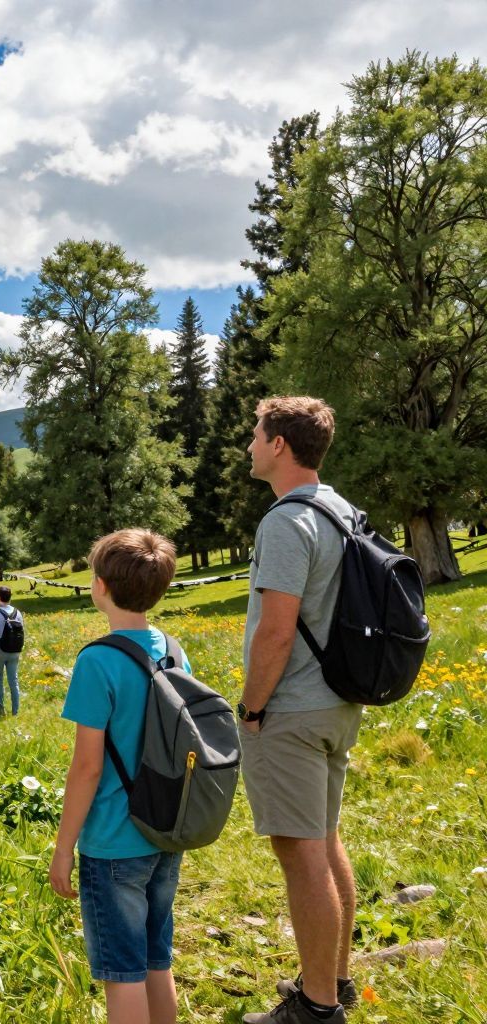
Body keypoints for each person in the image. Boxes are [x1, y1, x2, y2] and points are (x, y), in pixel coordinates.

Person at [238, 397, 361, 1024]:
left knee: (301, 854)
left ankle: (316, 1009)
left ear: (280, 444)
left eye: (257, 435)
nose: (251, 445)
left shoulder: (286, 522)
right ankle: (334, 982)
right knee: (325, 839)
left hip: (291, 711)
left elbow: (276, 632)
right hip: (338, 703)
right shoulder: (342, 511)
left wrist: (251, 709)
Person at [49, 529, 185, 1024]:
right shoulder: (172, 649)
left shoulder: (97, 661)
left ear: (100, 587)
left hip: (111, 841)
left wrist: (64, 849)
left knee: (121, 971)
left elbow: (87, 767)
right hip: (163, 829)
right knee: (155, 955)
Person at [0, 585, 23, 716]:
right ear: (10, 597)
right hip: (15, 651)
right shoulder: (18, 613)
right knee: (13, 680)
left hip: (0, 651)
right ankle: (15, 710)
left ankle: (1, 708)